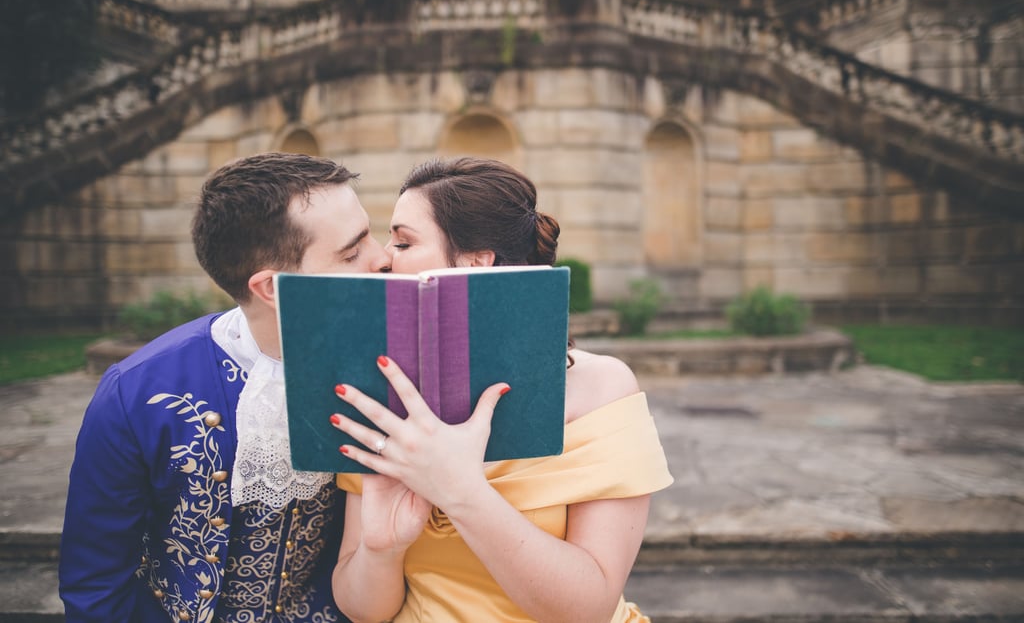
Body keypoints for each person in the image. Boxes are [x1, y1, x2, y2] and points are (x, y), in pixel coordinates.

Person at [329, 157, 674, 623]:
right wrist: (381, 549)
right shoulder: (382, 390)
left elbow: (586, 608)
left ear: (477, 260)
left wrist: (461, 492)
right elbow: (363, 610)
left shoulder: (602, 388)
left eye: (404, 241)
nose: (385, 258)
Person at [60, 152, 390, 622]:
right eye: (352, 251)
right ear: (272, 288)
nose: (383, 259)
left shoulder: (390, 370)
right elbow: (95, 584)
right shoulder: (135, 396)